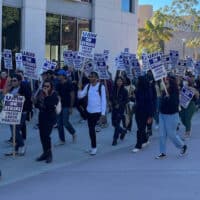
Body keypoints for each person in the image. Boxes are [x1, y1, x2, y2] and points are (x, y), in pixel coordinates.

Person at [156, 75, 187, 159]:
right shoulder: (164, 91)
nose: (165, 82)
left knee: (171, 134)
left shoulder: (175, 92)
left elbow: (175, 104)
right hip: (162, 115)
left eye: (167, 80)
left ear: (171, 82)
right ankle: (162, 152)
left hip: (172, 116)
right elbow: (162, 102)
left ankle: (182, 146)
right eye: (165, 80)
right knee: (162, 134)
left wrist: (169, 98)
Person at [78, 71, 107, 155]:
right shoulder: (87, 86)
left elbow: (103, 100)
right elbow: (80, 96)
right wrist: (79, 88)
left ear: (96, 78)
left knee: (92, 129)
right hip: (89, 111)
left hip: (97, 112)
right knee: (91, 130)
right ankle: (93, 147)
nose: (90, 78)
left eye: (92, 76)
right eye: (90, 76)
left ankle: (94, 146)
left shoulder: (101, 87)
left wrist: (103, 114)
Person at [5, 74, 32, 156]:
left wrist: (20, 96)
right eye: (12, 80)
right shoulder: (13, 88)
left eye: (14, 80)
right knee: (13, 130)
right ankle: (15, 149)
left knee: (16, 129)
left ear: (19, 81)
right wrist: (8, 85)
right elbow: (6, 94)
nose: (13, 82)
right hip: (12, 112)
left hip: (22, 112)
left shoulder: (24, 87)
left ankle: (22, 146)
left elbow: (28, 97)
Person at [35, 80, 59, 163]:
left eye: (47, 86)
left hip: (50, 117)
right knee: (42, 136)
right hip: (42, 116)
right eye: (44, 86)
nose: (45, 88)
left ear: (51, 87)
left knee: (46, 136)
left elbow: (50, 105)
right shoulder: (40, 93)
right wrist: (34, 101)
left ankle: (49, 154)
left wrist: (47, 95)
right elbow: (37, 105)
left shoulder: (54, 94)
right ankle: (45, 153)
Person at [132, 75, 154, 153]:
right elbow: (136, 100)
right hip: (138, 112)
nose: (137, 81)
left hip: (145, 113)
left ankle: (138, 145)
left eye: (138, 80)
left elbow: (150, 103)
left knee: (140, 129)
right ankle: (145, 140)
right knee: (140, 127)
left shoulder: (148, 91)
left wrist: (150, 116)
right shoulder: (137, 90)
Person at [55, 69, 77, 145]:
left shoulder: (69, 84)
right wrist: (57, 97)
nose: (58, 76)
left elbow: (72, 95)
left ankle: (73, 133)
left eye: (59, 75)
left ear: (64, 76)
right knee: (59, 123)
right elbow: (56, 93)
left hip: (67, 105)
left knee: (65, 122)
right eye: (57, 75)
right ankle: (62, 140)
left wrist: (71, 107)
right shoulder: (58, 84)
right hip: (59, 105)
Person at [111, 76, 128, 146]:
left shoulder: (125, 90)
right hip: (114, 108)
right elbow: (111, 97)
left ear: (122, 82)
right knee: (113, 123)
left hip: (120, 109)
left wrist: (120, 104)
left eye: (120, 81)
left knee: (117, 123)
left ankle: (115, 139)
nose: (119, 82)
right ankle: (123, 131)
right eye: (118, 81)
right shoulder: (113, 89)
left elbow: (126, 100)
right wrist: (112, 103)